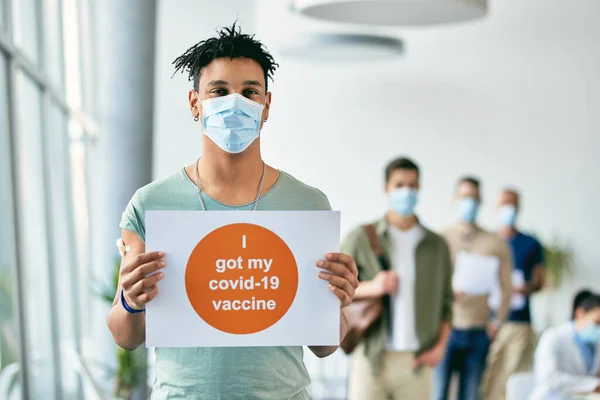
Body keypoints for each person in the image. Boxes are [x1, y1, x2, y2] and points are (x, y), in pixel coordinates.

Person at [106, 24, 359, 400]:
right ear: (195, 103)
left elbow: (324, 346)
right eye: (219, 91)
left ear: (266, 105)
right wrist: (130, 300)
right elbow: (126, 337)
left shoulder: (307, 205)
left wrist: (338, 300)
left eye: (249, 92)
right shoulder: (151, 204)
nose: (235, 102)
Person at [341, 157, 453, 400]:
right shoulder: (361, 237)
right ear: (386, 189)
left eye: (412, 185)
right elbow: (333, 289)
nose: (407, 191)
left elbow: (447, 302)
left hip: (417, 361)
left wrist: (440, 348)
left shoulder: (437, 245)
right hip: (370, 356)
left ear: (419, 188)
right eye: (399, 185)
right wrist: (373, 287)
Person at [433, 176, 513, 400]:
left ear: (480, 201)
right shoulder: (441, 239)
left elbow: (507, 288)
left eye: (473, 198)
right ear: (455, 200)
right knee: (438, 392)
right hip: (446, 328)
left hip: (479, 331)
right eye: (464, 197)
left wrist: (497, 323)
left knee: (471, 394)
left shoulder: (495, 243)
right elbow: (430, 284)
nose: (468, 202)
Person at [482, 189, 545, 400]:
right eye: (504, 204)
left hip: (519, 321)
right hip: (489, 320)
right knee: (486, 378)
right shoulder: (488, 241)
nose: (508, 209)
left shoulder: (530, 243)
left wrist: (525, 287)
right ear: (495, 207)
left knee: (512, 379)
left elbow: (540, 281)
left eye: (512, 205)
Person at [530, 293, 600, 399]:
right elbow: (550, 379)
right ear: (579, 314)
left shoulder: (596, 343)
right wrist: (594, 385)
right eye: (597, 322)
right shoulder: (552, 337)